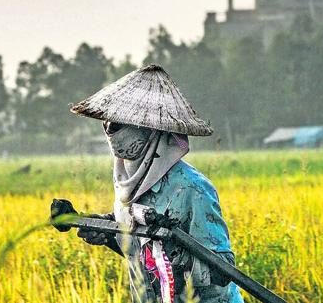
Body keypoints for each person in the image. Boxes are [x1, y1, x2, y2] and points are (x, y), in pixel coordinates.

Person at [52, 64, 243, 303]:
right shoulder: (127, 186)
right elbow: (139, 250)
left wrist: (176, 253)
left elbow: (224, 269)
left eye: (120, 122)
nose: (111, 130)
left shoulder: (191, 189)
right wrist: (101, 227)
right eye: (109, 123)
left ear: (151, 130)